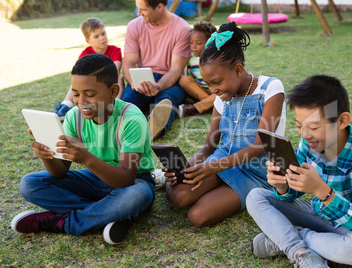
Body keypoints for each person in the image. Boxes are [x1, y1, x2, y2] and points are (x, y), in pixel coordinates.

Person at [11, 54, 155, 245]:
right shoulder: (73, 117)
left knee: (136, 196)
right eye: (76, 93)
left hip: (133, 181)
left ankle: (61, 222)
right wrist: (47, 155)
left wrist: (87, 159)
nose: (81, 101)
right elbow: (60, 172)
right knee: (29, 184)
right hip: (95, 179)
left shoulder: (131, 118)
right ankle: (107, 215)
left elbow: (126, 179)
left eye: (90, 94)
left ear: (113, 91)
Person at [246, 75, 352, 267]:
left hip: (349, 229)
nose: (304, 134)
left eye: (313, 127)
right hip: (316, 215)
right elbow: (291, 194)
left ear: (342, 120)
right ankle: (301, 252)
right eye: (299, 126)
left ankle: (294, 237)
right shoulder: (309, 142)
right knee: (256, 197)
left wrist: (323, 191)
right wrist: (282, 187)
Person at [164, 22, 287, 227]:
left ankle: (227, 191)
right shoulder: (221, 97)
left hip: (256, 172)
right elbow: (209, 146)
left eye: (217, 82)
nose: (212, 90)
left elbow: (260, 145)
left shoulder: (270, 88)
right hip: (220, 161)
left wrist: (212, 167)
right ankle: (168, 179)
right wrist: (186, 169)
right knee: (178, 196)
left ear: (238, 69)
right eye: (208, 84)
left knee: (198, 216)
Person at [121, 0, 191, 141]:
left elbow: (176, 69)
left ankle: (152, 130)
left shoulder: (182, 28)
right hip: (141, 80)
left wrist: (159, 86)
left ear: (159, 7)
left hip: (170, 82)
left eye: (143, 9)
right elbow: (128, 63)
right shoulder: (134, 26)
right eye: (138, 8)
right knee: (127, 103)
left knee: (165, 101)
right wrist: (134, 83)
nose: (139, 13)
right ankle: (123, 127)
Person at [54, 17, 124, 121]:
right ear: (88, 40)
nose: (102, 38)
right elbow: (81, 74)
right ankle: (66, 105)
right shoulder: (85, 53)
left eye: (103, 34)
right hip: (90, 84)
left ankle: (113, 107)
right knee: (77, 83)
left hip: (108, 81)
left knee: (119, 78)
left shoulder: (115, 50)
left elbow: (115, 70)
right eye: (96, 36)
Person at [178, 21, 217, 118]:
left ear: (210, 43)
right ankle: (208, 103)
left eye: (198, 43)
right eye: (191, 43)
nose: (193, 46)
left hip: (217, 90)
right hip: (200, 92)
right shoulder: (191, 58)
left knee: (223, 94)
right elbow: (190, 79)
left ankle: (196, 108)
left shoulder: (216, 58)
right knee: (184, 79)